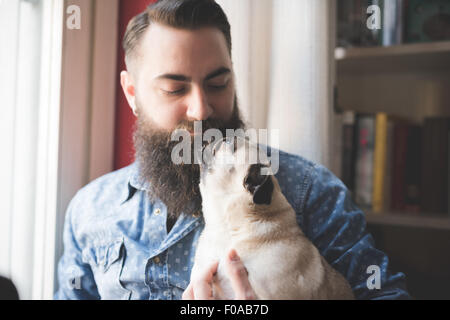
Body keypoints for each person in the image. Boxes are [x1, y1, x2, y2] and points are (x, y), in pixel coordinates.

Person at [54, 0, 410, 300]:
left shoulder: (312, 193)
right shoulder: (90, 211)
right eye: (175, 89)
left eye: (217, 83)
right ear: (131, 93)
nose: (201, 110)